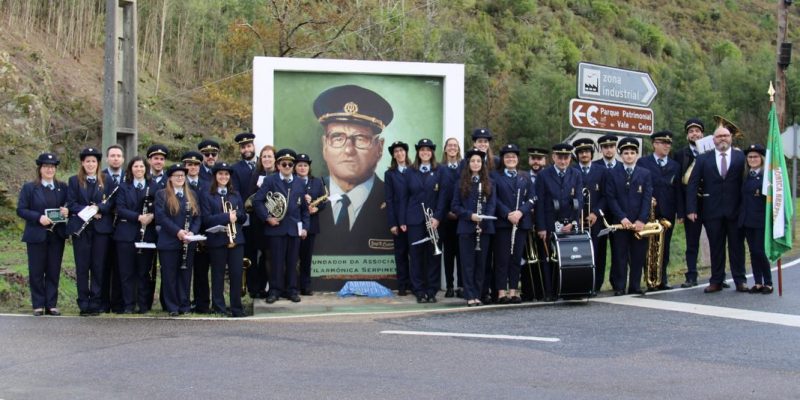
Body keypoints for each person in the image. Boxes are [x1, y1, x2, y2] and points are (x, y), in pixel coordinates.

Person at [315, 84, 394, 255]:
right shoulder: (312, 193)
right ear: (324, 145)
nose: (349, 150)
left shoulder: (391, 198)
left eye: (361, 138)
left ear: (379, 148)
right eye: (337, 138)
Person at [686, 118, 747, 293]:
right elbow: (693, 183)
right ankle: (716, 280)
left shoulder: (740, 156)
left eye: (725, 136)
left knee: (737, 247)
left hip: (735, 211)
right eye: (719, 136)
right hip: (712, 211)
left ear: (731, 138)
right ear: (713, 140)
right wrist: (691, 208)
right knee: (716, 247)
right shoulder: (704, 158)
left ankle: (740, 280)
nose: (722, 139)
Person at [253, 149, 309, 304]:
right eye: (284, 164)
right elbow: (257, 201)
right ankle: (274, 291)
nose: (287, 166)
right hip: (276, 228)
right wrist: (267, 218)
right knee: (276, 262)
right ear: (278, 165)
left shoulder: (299, 182)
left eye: (290, 164)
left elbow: (304, 209)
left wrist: (305, 227)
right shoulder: (270, 181)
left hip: (293, 229)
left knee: (292, 262)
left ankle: (291, 290)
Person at [16, 153, 69, 316]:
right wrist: (38, 217)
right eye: (46, 167)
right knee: (37, 270)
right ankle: (38, 304)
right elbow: (21, 210)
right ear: (40, 169)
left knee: (53, 270)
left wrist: (67, 210)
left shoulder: (62, 187)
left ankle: (51, 304)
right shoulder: (30, 188)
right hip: (36, 235)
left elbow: (68, 205)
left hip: (56, 235)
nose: (49, 170)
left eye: (52, 167)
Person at [67, 147, 117, 316]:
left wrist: (99, 209)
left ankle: (95, 303)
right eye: (87, 161)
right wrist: (88, 211)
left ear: (98, 163)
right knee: (82, 267)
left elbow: (111, 203)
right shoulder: (74, 181)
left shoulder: (107, 180)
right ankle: (83, 303)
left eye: (93, 161)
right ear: (82, 163)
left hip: (100, 230)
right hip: (81, 230)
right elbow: (71, 204)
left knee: (98, 267)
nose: (90, 164)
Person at [399, 139, 448, 303]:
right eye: (422, 150)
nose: (425, 152)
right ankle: (419, 290)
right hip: (414, 220)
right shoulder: (409, 172)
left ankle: (432, 290)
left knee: (433, 256)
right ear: (418, 152)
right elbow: (404, 197)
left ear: (432, 152)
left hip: (434, 220)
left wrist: (438, 217)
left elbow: (443, 196)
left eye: (428, 150)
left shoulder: (440, 170)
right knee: (416, 255)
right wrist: (403, 219)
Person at [535, 143, 584, 301]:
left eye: (566, 158)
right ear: (553, 157)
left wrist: (573, 222)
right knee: (548, 258)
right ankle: (550, 292)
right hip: (549, 222)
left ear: (570, 158)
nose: (563, 161)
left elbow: (579, 200)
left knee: (568, 257)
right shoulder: (544, 175)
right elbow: (540, 203)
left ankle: (566, 289)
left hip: (568, 223)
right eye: (560, 158)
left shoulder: (576, 174)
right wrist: (541, 227)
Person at [605, 138, 653, 296]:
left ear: (637, 154)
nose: (629, 156)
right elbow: (610, 198)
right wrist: (622, 218)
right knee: (619, 255)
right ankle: (619, 286)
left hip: (638, 223)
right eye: (626, 153)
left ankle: (635, 286)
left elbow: (647, 199)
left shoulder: (645, 174)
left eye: (632, 153)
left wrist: (641, 219)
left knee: (638, 255)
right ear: (620, 155)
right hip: (620, 223)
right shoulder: (612, 173)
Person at [154, 163, 201, 316]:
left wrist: (192, 233)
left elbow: (197, 217)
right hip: (169, 241)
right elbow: (161, 217)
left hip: (187, 241)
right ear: (170, 178)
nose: (180, 178)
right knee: (170, 275)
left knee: (186, 274)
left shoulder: (192, 194)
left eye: (182, 176)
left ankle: (184, 304)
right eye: (177, 176)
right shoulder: (162, 194)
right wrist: (178, 232)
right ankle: (172, 306)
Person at [201, 162, 246, 317]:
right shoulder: (207, 195)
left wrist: (237, 215)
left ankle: (236, 308)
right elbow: (206, 219)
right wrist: (227, 216)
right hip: (217, 241)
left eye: (226, 174)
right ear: (215, 176)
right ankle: (219, 307)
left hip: (236, 240)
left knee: (236, 275)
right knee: (217, 275)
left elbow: (243, 216)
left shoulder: (235, 194)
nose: (224, 177)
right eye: (220, 174)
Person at [451, 148, 496, 306]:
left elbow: (491, 205)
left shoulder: (489, 183)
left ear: (482, 164)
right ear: (468, 164)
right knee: (468, 263)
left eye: (478, 161)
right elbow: (455, 206)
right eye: (472, 161)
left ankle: (478, 294)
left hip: (484, 228)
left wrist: (482, 219)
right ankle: (470, 295)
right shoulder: (460, 183)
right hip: (466, 228)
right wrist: (470, 216)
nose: (476, 164)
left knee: (481, 264)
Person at [637, 130, 681, 290]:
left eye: (669, 143)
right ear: (655, 144)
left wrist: (680, 212)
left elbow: (678, 191)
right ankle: (649, 279)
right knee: (647, 247)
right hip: (648, 213)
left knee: (665, 247)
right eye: (663, 143)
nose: (667, 146)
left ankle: (662, 278)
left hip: (668, 212)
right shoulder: (643, 162)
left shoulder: (675, 165)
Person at [113, 156, 156, 314]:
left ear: (146, 169)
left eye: (142, 167)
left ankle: (143, 305)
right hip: (126, 235)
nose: (139, 169)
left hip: (147, 234)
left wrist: (151, 216)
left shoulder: (154, 186)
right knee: (126, 272)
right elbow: (120, 208)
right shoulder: (124, 187)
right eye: (136, 166)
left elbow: (159, 206)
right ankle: (128, 305)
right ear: (131, 169)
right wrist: (138, 217)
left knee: (143, 272)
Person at [491, 144, 533, 304]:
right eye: (507, 157)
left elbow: (532, 198)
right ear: (503, 159)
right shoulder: (495, 176)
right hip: (503, 224)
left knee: (516, 258)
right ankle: (501, 292)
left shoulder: (525, 176)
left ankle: (514, 291)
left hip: (520, 223)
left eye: (513, 157)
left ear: (517, 159)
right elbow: (494, 199)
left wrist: (520, 212)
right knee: (502, 259)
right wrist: (508, 214)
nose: (511, 159)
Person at [572, 138, 607, 292]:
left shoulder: (602, 171)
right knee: (579, 253)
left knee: (598, 253)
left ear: (592, 154)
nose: (584, 154)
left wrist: (596, 213)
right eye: (581, 152)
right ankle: (581, 283)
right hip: (577, 220)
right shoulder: (572, 170)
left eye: (587, 152)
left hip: (596, 220)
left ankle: (596, 285)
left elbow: (607, 195)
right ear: (577, 155)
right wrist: (577, 215)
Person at [675, 118, 705, 287]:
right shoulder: (681, 154)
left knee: (717, 241)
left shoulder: (710, 151)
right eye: (691, 131)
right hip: (690, 205)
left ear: (702, 133)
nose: (694, 134)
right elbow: (678, 185)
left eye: (697, 131)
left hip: (709, 203)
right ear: (687, 135)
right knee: (691, 242)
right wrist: (681, 211)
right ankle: (691, 275)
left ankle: (719, 275)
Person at [739, 144, 772, 294]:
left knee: (759, 251)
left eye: (756, 156)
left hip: (760, 219)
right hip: (747, 219)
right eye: (750, 157)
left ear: (762, 158)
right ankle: (758, 282)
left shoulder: (766, 177)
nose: (752, 159)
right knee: (752, 251)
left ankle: (768, 282)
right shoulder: (746, 175)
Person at [295, 153, 328, 296]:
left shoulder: (316, 182)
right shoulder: (291, 181)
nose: (303, 168)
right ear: (295, 167)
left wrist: (316, 208)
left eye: (305, 165)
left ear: (309, 167)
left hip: (311, 225)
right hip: (294, 224)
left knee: (306, 258)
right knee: (291, 258)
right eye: (300, 165)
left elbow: (323, 202)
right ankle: (291, 287)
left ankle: (305, 286)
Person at [246, 145, 276, 299]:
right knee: (259, 255)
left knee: (270, 255)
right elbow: (250, 198)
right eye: (264, 156)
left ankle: (272, 288)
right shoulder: (255, 174)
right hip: (258, 220)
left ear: (274, 159)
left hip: (275, 221)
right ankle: (257, 288)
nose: (267, 159)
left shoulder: (279, 175)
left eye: (269, 156)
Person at [183, 151, 211, 314]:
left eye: (195, 165)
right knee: (184, 270)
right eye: (189, 165)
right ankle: (184, 302)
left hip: (204, 233)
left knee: (201, 271)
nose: (193, 167)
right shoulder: (178, 181)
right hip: (184, 233)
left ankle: (202, 304)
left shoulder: (207, 183)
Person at [521, 147, 549, 301]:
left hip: (544, 223)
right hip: (527, 222)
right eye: (533, 158)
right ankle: (528, 292)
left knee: (544, 257)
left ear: (545, 160)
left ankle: (544, 291)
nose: (536, 161)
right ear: (529, 160)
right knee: (527, 259)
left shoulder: (548, 176)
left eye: (540, 158)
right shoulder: (523, 176)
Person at [385, 141, 412, 296]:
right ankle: (402, 285)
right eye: (396, 151)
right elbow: (389, 200)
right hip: (398, 219)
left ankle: (415, 284)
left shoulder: (414, 170)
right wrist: (393, 223)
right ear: (393, 155)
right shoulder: (390, 174)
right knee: (400, 254)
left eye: (402, 150)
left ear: (406, 153)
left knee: (415, 255)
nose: (399, 153)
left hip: (413, 220)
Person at [101, 144, 125, 313]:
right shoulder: (99, 176)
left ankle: (118, 303)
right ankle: (103, 302)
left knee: (120, 267)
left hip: (123, 229)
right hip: (103, 227)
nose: (115, 158)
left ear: (123, 159)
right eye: (112, 155)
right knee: (102, 266)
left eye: (118, 156)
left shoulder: (128, 177)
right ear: (107, 158)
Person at [440, 137, 463, 298]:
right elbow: (439, 193)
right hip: (446, 218)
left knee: (462, 254)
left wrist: (459, 211)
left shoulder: (464, 167)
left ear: (458, 149)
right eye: (450, 145)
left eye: (455, 145)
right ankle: (449, 286)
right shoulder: (440, 169)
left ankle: (461, 286)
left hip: (462, 217)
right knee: (448, 254)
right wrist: (447, 211)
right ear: (445, 149)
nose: (452, 148)